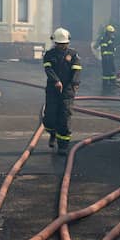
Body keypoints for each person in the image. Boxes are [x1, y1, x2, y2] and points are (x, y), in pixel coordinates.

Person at [43, 27, 82, 155]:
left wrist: (75, 83)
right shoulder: (49, 54)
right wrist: (56, 81)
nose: (62, 46)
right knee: (50, 117)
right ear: (55, 43)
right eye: (59, 44)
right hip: (53, 90)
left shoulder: (73, 55)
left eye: (64, 44)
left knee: (64, 117)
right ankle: (52, 133)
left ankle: (63, 146)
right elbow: (48, 69)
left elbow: (77, 70)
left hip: (67, 90)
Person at [98, 24, 117, 90]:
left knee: (112, 70)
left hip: (111, 57)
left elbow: (112, 48)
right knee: (106, 71)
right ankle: (105, 84)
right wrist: (105, 57)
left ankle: (112, 82)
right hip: (106, 58)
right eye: (111, 32)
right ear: (107, 32)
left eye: (112, 32)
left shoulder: (111, 39)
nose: (112, 34)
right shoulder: (105, 39)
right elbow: (103, 49)